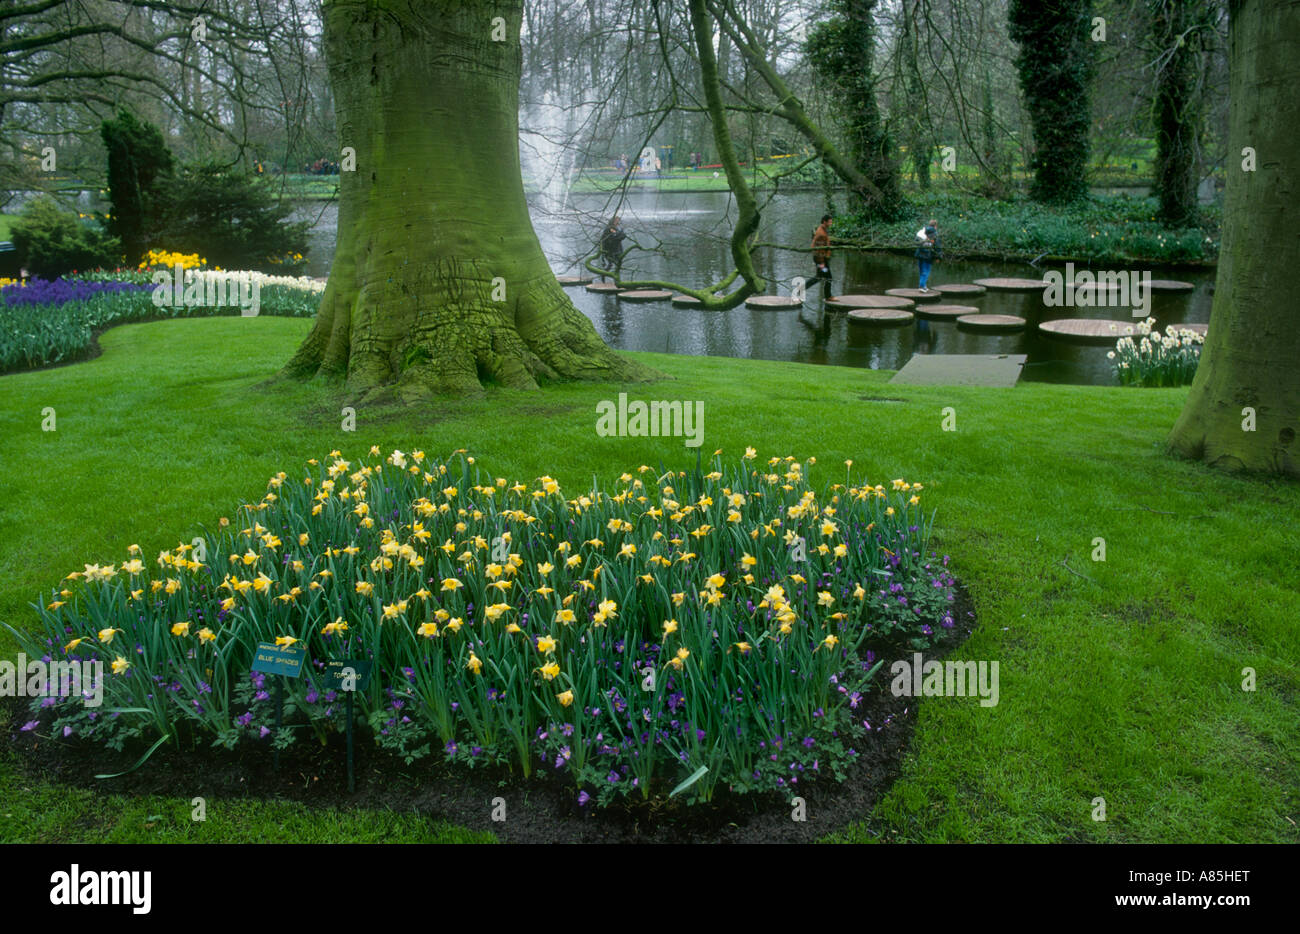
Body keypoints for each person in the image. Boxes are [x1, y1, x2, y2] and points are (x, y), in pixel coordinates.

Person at [915, 218, 942, 292]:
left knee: (921, 271)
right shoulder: (934, 234)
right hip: (927, 255)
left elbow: (917, 242)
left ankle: (923, 286)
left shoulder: (922, 231)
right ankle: (921, 286)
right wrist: (938, 257)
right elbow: (937, 247)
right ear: (935, 226)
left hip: (919, 254)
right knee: (926, 271)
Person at [599, 215, 627, 281]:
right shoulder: (610, 229)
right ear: (613, 221)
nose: (617, 222)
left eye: (618, 221)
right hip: (610, 250)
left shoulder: (616, 228)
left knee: (617, 264)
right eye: (616, 221)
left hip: (617, 249)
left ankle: (616, 278)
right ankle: (604, 275)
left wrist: (621, 233)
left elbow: (622, 236)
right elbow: (615, 237)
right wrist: (620, 234)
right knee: (611, 264)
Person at [812, 214, 834, 294]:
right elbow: (819, 250)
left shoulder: (823, 229)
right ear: (824, 222)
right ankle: (828, 296)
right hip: (820, 259)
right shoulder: (821, 233)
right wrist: (822, 263)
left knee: (819, 277)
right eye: (830, 222)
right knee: (828, 277)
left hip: (822, 258)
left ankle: (799, 290)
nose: (831, 224)